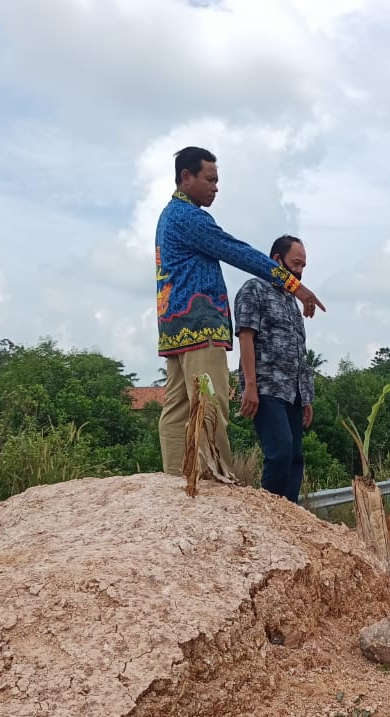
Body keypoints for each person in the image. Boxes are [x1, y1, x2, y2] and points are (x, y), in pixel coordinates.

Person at [154, 146, 325, 476]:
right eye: (210, 179)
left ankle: (175, 479)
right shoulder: (189, 218)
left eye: (217, 181)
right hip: (200, 324)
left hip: (173, 326)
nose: (215, 187)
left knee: (177, 406)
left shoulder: (168, 217)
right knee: (210, 403)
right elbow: (236, 251)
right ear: (185, 177)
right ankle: (213, 477)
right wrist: (294, 285)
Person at [234, 235, 315, 503]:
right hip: (266, 387)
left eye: (304, 265)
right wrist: (250, 387)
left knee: (294, 457)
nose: (300, 271)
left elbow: (299, 352)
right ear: (277, 260)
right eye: (296, 263)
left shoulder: (292, 301)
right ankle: (269, 515)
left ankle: (290, 516)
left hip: (293, 392)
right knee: (279, 451)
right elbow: (246, 337)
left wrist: (306, 398)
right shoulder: (253, 289)